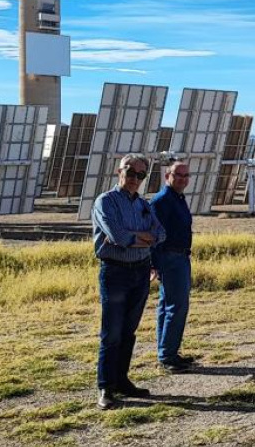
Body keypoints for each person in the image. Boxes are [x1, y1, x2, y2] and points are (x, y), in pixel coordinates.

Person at [92, 154, 167, 410]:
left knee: (128, 331)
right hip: (116, 272)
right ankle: (105, 386)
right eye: (131, 172)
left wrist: (139, 237)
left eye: (141, 175)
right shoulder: (106, 201)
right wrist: (141, 236)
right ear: (119, 171)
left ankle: (121, 380)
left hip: (140, 270)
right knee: (111, 332)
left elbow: (160, 234)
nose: (135, 179)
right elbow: (117, 236)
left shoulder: (143, 204)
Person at [150, 161, 195, 374]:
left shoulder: (177, 198)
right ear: (168, 175)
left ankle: (167, 351)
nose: (183, 179)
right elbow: (154, 234)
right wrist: (155, 264)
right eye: (178, 175)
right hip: (170, 257)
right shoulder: (162, 201)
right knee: (176, 306)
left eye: (186, 175)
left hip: (179, 256)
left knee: (167, 305)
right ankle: (167, 355)